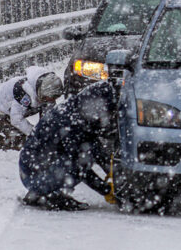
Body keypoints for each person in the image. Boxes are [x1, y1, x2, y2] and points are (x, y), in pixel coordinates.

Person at [19, 80, 118, 211]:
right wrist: (106, 190)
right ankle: (50, 196)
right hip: (33, 174)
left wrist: (113, 172)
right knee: (79, 163)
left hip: (37, 169)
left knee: (89, 148)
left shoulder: (78, 111)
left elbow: (95, 147)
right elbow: (81, 168)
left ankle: (42, 192)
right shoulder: (69, 123)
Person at [0, 66, 64, 150]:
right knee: (24, 142)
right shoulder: (22, 93)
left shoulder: (45, 90)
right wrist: (35, 134)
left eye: (55, 97)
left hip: (17, 110)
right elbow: (16, 120)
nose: (52, 100)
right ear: (42, 92)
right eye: (49, 97)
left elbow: (49, 116)